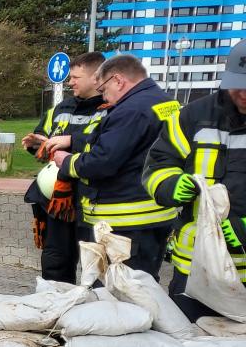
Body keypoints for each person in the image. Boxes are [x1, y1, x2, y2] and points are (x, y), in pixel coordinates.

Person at [144, 39, 246, 319]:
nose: (244, 93)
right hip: (192, 272)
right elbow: (158, 165)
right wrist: (170, 185)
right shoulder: (192, 116)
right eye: (239, 84)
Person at [51, 54, 178, 277]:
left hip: (125, 222)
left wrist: (67, 162)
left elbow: (103, 161)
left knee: (116, 289)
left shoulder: (131, 110)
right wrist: (75, 140)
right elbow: (130, 144)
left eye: (103, 89)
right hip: (156, 214)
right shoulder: (164, 102)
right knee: (143, 285)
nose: (105, 97)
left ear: (118, 81)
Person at [21, 52, 106, 284]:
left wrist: (71, 140)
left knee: (96, 269)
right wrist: (37, 145)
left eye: (76, 77)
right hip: (57, 202)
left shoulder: (112, 109)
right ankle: (55, 311)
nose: (70, 82)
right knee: (55, 262)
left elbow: (108, 147)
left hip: (93, 202)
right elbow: (47, 145)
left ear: (96, 78)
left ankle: (93, 315)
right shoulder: (59, 109)